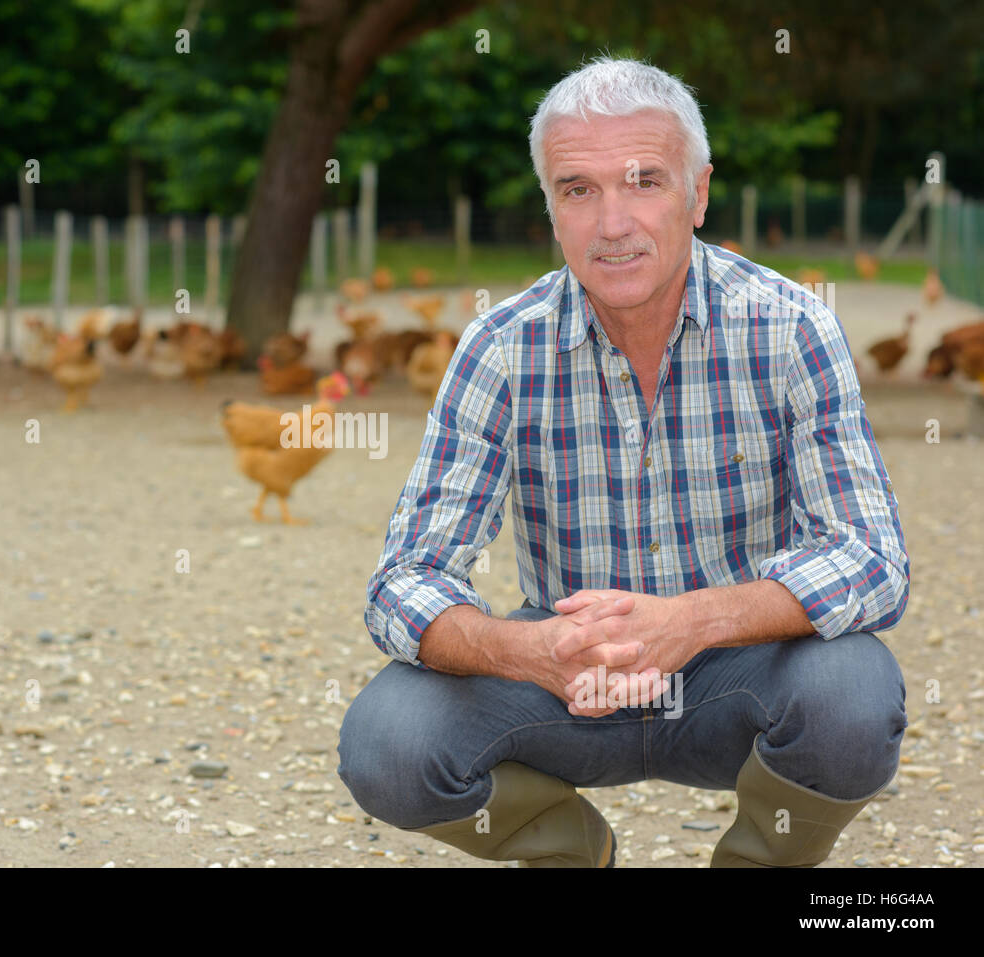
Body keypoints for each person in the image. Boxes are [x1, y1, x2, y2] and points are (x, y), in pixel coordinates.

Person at [336, 56, 909, 868]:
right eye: (578, 189)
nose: (613, 222)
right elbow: (404, 578)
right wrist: (527, 652)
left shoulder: (789, 327)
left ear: (698, 194)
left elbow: (874, 559)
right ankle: (572, 851)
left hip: (736, 676)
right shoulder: (501, 348)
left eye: (644, 180)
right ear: (551, 208)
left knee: (853, 692)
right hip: (564, 680)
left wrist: (690, 621)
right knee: (387, 740)